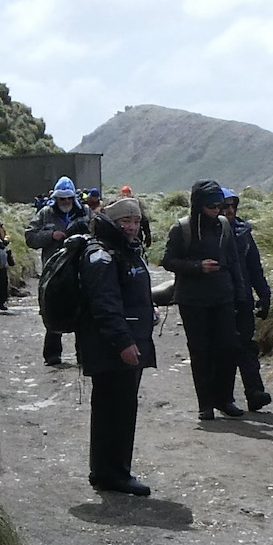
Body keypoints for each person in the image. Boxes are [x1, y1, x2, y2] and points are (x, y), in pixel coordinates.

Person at [69, 197, 157, 495]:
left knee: (117, 409)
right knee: (114, 410)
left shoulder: (122, 250)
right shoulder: (102, 255)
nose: (132, 227)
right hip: (112, 350)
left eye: (135, 221)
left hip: (123, 346)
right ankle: (114, 474)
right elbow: (105, 305)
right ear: (113, 223)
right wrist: (124, 342)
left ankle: (108, 471)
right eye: (125, 222)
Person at [160, 180, 247, 420]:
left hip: (223, 297)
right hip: (192, 300)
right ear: (198, 205)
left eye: (220, 205)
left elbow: (234, 263)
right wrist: (198, 267)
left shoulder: (223, 227)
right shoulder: (182, 229)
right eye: (211, 205)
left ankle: (225, 399)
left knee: (229, 347)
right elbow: (168, 260)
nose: (217, 210)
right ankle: (205, 404)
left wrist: (241, 295)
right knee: (201, 351)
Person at [25, 180, 89, 366]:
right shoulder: (45, 214)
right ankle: (52, 355)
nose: (66, 201)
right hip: (54, 274)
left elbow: (97, 232)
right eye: (62, 198)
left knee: (83, 312)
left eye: (69, 198)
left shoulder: (84, 212)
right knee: (52, 309)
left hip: (81, 270)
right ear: (56, 198)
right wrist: (50, 236)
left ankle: (84, 355)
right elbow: (30, 237)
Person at [226, 189, 273, 413]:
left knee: (247, 346)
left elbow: (254, 267)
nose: (229, 210)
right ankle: (220, 399)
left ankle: (254, 393)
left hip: (243, 298)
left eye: (232, 206)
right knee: (222, 350)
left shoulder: (243, 233)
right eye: (223, 206)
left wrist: (264, 295)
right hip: (216, 301)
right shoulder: (205, 234)